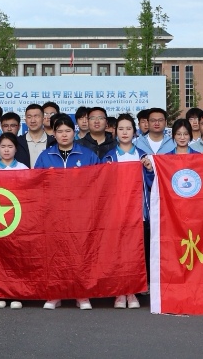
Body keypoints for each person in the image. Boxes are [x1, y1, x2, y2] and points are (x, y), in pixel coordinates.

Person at [35, 115, 99, 310]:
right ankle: (55, 294)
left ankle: (82, 294)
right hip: (53, 214)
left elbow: (99, 182)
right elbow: (37, 183)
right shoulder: (45, 156)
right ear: (54, 133)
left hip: (80, 214)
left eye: (68, 131)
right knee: (55, 254)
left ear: (75, 132)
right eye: (60, 131)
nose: (64, 135)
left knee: (80, 253)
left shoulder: (88, 155)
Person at [104, 114, 148, 309]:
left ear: (134, 131)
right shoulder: (108, 157)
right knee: (117, 253)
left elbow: (152, 183)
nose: (124, 132)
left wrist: (150, 169)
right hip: (116, 211)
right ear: (115, 131)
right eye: (121, 129)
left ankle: (132, 291)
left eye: (128, 129)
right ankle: (119, 292)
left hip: (137, 210)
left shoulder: (142, 156)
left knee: (135, 252)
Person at [0, 133, 27, 310]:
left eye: (10, 146)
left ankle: (16, 293)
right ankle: (0, 292)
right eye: (3, 147)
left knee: (17, 257)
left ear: (16, 149)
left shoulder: (24, 169)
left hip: (17, 219)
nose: (6, 150)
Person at [21, 104, 52, 168]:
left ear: (43, 119)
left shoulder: (53, 142)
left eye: (36, 116)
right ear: (25, 120)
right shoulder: (18, 142)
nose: (33, 121)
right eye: (29, 117)